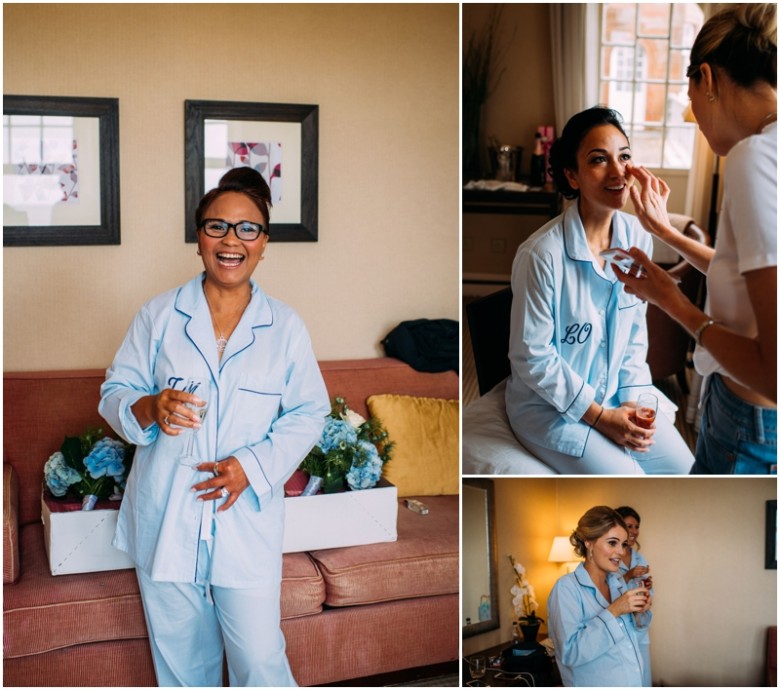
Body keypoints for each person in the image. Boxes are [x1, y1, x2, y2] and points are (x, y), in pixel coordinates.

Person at [99, 166, 330, 687]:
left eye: (247, 228)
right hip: (166, 513)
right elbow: (114, 395)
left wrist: (251, 467)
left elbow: (308, 412)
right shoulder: (158, 316)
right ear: (199, 237)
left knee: (260, 663)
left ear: (265, 243)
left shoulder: (286, 327)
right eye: (216, 226)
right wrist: (149, 407)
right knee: (182, 669)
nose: (231, 241)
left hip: (244, 521)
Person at [613, 4, 777, 473]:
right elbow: (746, 276)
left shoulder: (754, 159)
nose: (696, 123)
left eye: (691, 102)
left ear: (707, 79)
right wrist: (665, 232)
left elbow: (773, 371)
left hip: (752, 421)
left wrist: (671, 300)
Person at [504, 106, 694, 474]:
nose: (619, 171)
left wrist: (636, 406)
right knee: (630, 478)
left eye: (624, 157)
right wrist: (601, 417)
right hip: (554, 410)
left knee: (688, 471)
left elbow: (635, 336)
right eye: (598, 160)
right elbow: (533, 358)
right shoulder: (541, 255)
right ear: (572, 176)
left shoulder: (637, 238)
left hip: (619, 394)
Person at [548, 506, 651, 687]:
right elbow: (570, 652)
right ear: (589, 542)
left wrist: (641, 613)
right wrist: (614, 611)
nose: (621, 551)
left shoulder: (618, 583)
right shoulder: (566, 588)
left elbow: (633, 636)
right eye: (613, 543)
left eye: (624, 544)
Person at [615, 506, 652, 687]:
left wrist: (648, 591)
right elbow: (606, 588)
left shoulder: (640, 558)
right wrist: (628, 575)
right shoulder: (611, 556)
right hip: (619, 627)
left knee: (643, 674)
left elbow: (648, 590)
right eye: (629, 526)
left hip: (640, 624)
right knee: (625, 677)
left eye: (636, 526)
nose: (634, 531)